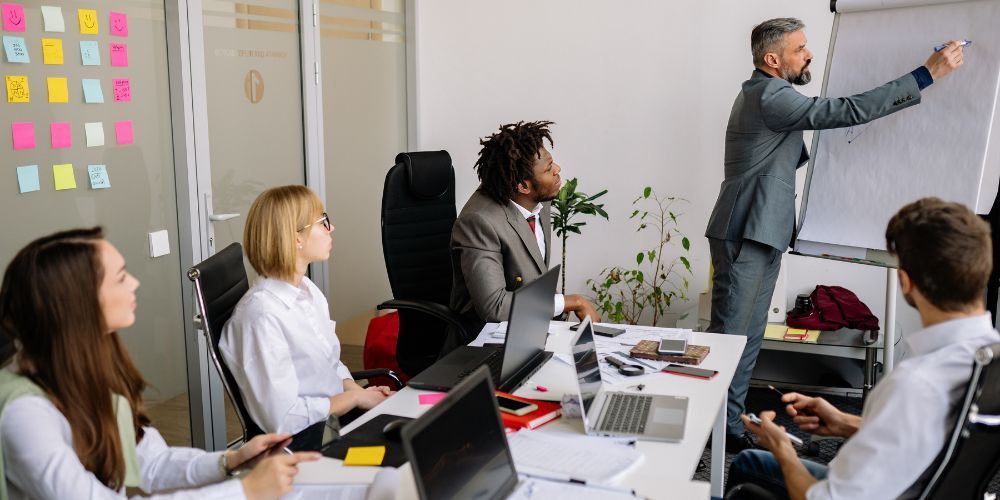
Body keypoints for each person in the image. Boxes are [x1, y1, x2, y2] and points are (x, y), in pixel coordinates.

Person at [703, 17, 966, 450]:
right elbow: (846, 111)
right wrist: (926, 75)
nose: (808, 53)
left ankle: (728, 427)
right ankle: (712, 432)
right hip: (745, 229)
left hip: (761, 230)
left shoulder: (766, 92)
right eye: (800, 48)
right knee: (732, 337)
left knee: (746, 338)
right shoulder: (770, 94)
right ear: (773, 59)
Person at [0, 227, 318, 499]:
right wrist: (245, 490)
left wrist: (231, 462)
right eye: (121, 277)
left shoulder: (89, 371)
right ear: (79, 303)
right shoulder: (25, 414)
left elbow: (150, 463)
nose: (135, 283)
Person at [727, 198, 1000, 499]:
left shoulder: (914, 384)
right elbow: (940, 438)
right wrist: (847, 423)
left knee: (749, 463)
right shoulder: (989, 357)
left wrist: (781, 447)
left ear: (905, 282)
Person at [222, 186, 393, 435]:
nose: (331, 228)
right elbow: (283, 419)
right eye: (323, 221)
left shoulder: (306, 290)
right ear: (296, 238)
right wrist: (354, 401)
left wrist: (361, 393)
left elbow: (330, 364)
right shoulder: (261, 317)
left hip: (333, 421)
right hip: (309, 440)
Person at [449, 120, 600, 348]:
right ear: (523, 186)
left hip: (528, 333)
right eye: (549, 169)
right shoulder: (480, 221)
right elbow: (494, 306)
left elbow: (533, 275)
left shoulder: (538, 199)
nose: (558, 169)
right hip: (483, 346)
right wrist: (571, 302)